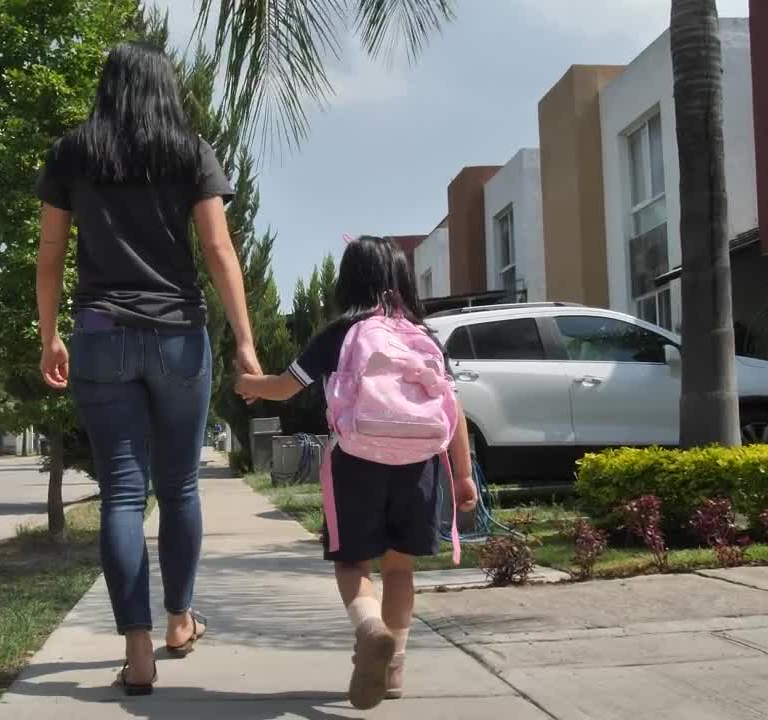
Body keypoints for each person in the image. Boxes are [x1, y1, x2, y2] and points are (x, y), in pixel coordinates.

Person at [35, 42, 260, 696]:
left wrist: (50, 335)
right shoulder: (188, 150)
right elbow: (218, 249)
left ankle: (138, 653)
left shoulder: (73, 152)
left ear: (107, 88)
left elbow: (51, 252)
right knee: (181, 485)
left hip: (101, 335)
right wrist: (245, 342)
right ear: (166, 87)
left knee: (124, 495)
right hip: (177, 336)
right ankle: (180, 620)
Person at [234, 236, 479, 710]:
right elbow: (455, 409)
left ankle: (369, 629)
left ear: (348, 281)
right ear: (404, 280)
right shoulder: (425, 336)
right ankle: (394, 669)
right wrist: (463, 476)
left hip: (358, 464)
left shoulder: (341, 334)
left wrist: (249, 384)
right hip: (421, 466)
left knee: (352, 563)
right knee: (400, 567)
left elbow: (286, 388)